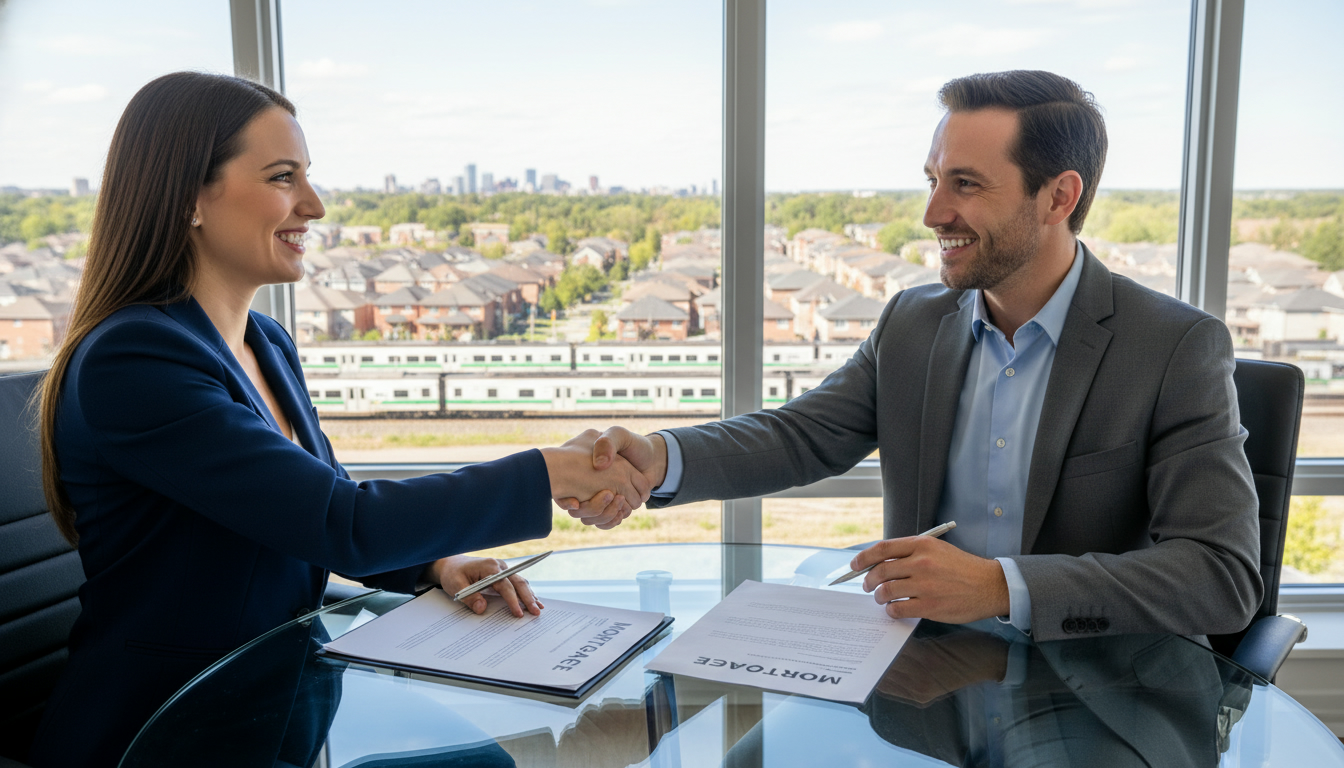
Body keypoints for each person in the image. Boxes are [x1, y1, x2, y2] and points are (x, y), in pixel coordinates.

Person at [27, 72, 648, 768]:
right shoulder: (133, 361)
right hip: (166, 738)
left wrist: (437, 563)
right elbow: (344, 524)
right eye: (283, 177)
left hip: (276, 715)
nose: (315, 205)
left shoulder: (265, 343)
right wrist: (551, 471)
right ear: (190, 198)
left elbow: (312, 511)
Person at [582, 70, 1261, 641]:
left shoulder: (1173, 347)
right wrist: (659, 456)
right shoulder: (913, 321)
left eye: (965, 184)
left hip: (1097, 692)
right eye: (932, 179)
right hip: (922, 681)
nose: (934, 213)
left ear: (1059, 196)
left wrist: (1000, 587)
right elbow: (803, 436)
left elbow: (1219, 576)